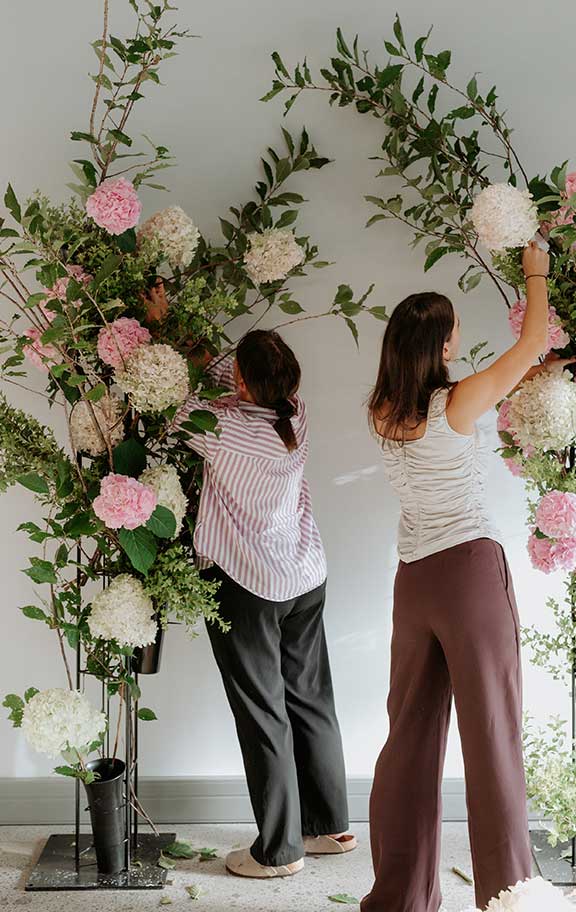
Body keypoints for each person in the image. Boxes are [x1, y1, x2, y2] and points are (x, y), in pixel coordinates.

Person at [363, 241, 566, 911]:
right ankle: (508, 897)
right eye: (453, 337)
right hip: (470, 577)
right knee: (492, 739)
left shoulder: (383, 413)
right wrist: (534, 267)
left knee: (409, 742)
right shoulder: (457, 400)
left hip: (413, 582)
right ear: (443, 348)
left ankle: (398, 897)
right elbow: (533, 338)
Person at [158, 296, 354, 879]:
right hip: (303, 576)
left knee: (262, 712)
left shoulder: (217, 426)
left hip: (247, 584)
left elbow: (172, 411)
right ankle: (328, 827)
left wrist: (173, 327)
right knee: (311, 698)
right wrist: (237, 370)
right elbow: (232, 375)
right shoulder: (297, 410)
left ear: (242, 383)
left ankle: (278, 852)